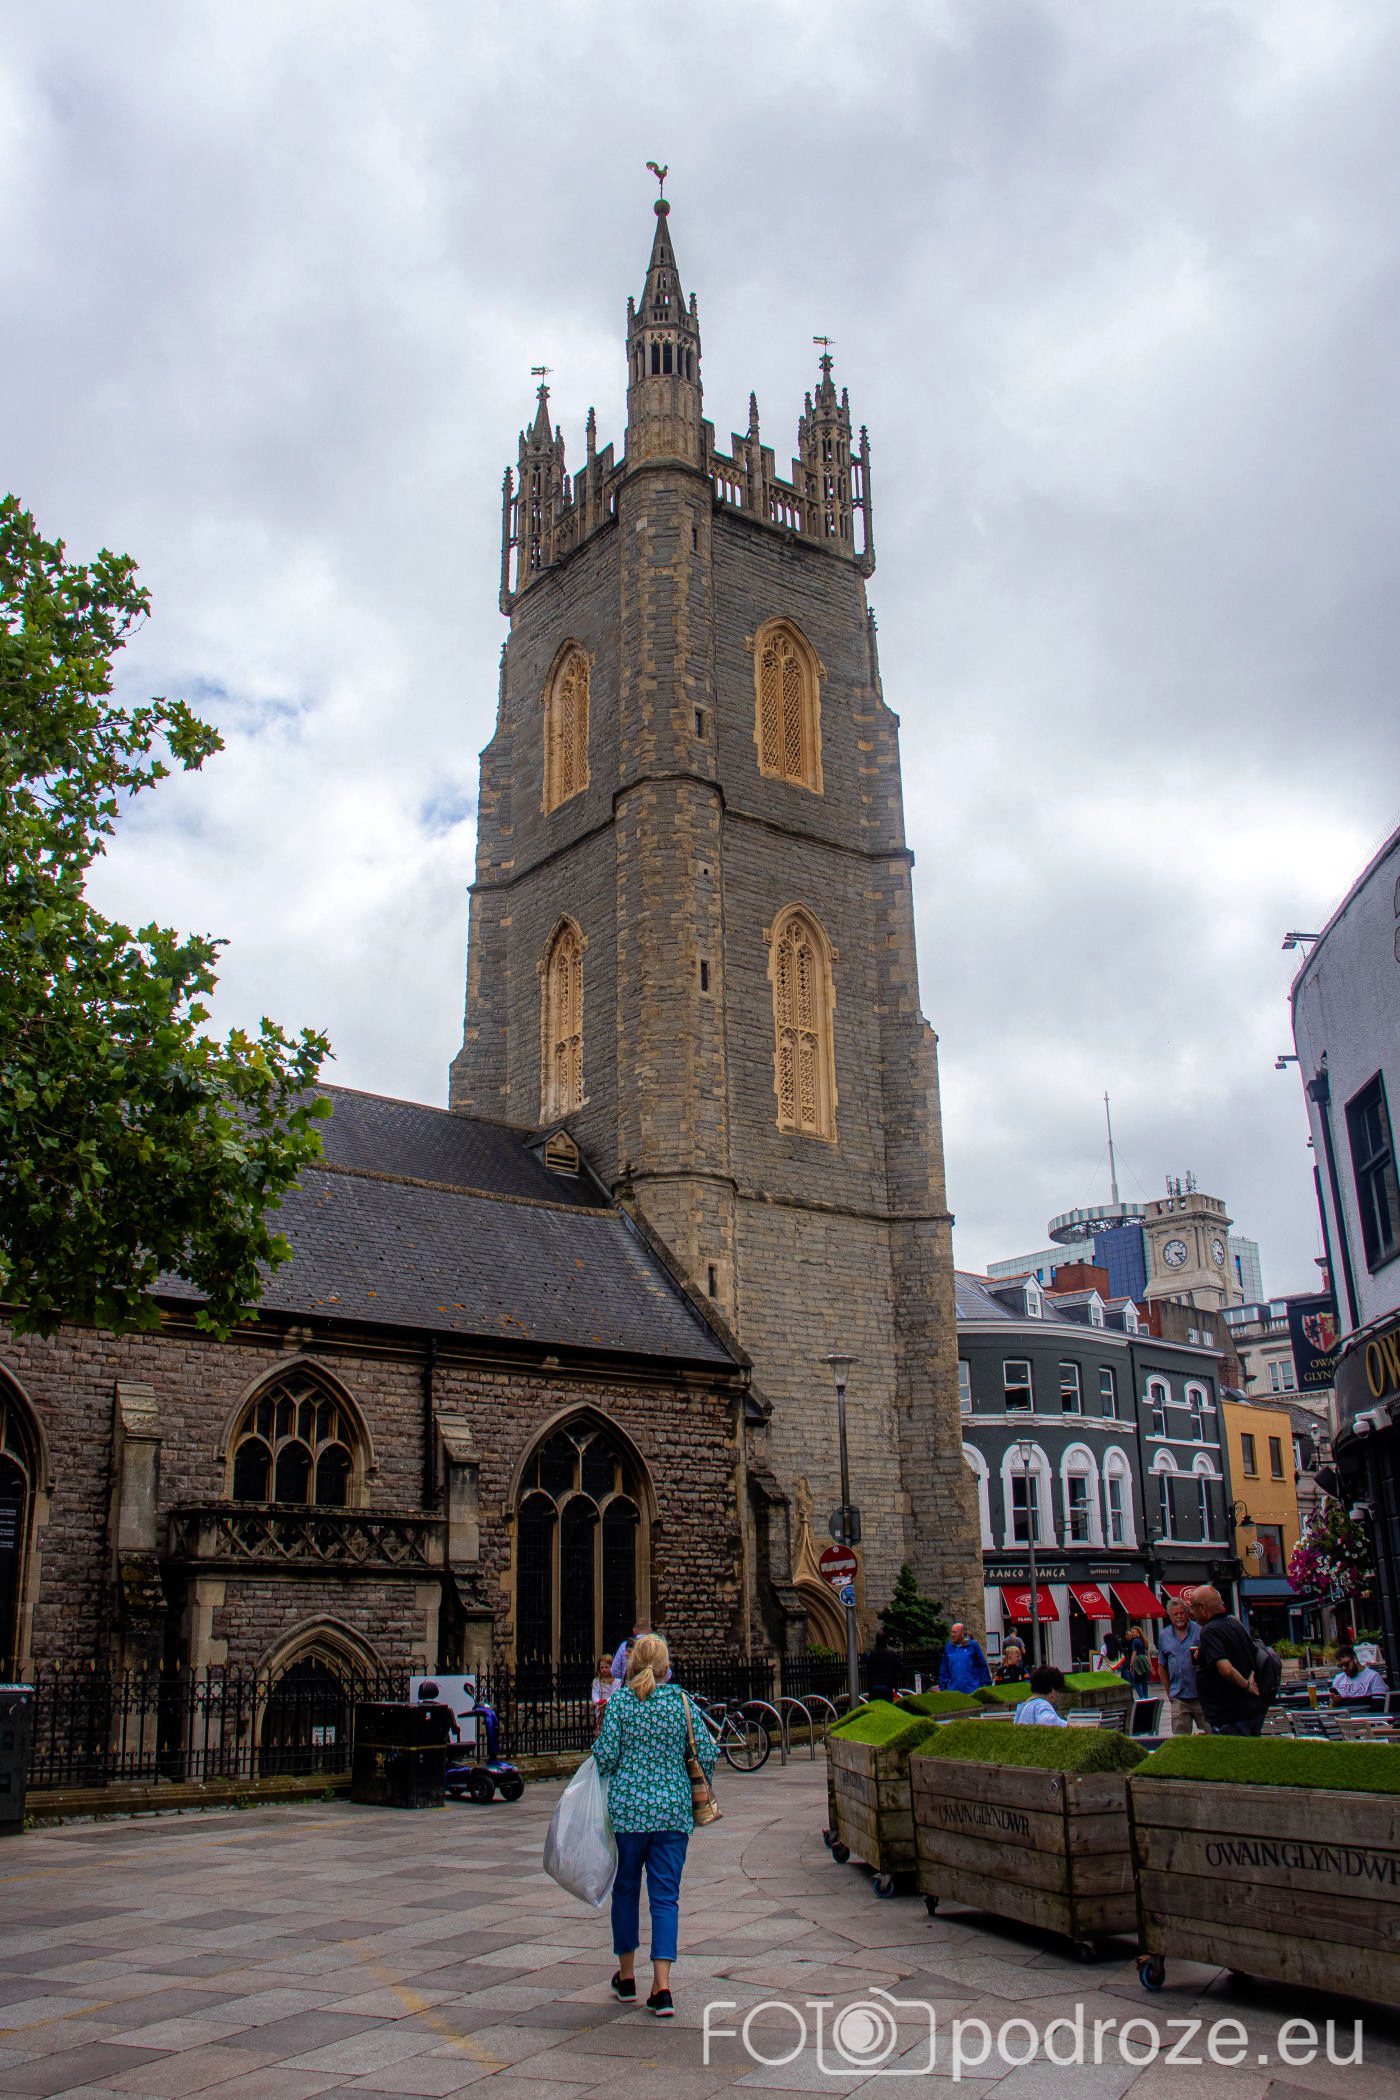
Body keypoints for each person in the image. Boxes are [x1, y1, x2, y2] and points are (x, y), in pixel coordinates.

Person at [591, 1633, 718, 2019]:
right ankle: (662, 1988)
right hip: (672, 1814)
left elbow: (604, 1757)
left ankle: (627, 1978)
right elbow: (708, 1753)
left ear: (630, 1664)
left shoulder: (620, 1703)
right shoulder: (682, 1703)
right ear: (666, 1667)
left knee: (625, 1892)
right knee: (665, 1898)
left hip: (628, 1813)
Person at [1188, 1586, 1265, 1736]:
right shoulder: (1235, 1624)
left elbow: (1226, 1669)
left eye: (1192, 1608)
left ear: (1202, 1607)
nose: (1191, 1613)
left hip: (1229, 1715)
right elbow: (1253, 1654)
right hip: (1250, 1711)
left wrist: (1247, 1685)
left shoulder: (1209, 1631)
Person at [1156, 1598, 1209, 1735]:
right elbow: (1162, 1666)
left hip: (1201, 1695)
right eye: (1175, 1614)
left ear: (1187, 1613)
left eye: (1182, 1613)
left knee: (1212, 1734)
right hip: (1178, 1696)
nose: (1179, 1617)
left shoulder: (1200, 1631)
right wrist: (1169, 1693)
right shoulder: (1164, 1636)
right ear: (1170, 1616)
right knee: (1181, 1739)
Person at [939, 1622, 992, 1693]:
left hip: (972, 1689)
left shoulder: (973, 1645)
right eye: (952, 1632)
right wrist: (943, 1687)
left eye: (955, 1632)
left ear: (962, 1633)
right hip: (954, 1690)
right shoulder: (949, 1647)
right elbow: (944, 1669)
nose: (952, 1635)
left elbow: (982, 1666)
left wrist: (986, 1685)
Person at [611, 1618, 652, 1686]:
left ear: (634, 1631)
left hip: (630, 1687)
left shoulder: (624, 1646)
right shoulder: (656, 1646)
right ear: (650, 1630)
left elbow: (614, 1671)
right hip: (651, 1687)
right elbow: (667, 1674)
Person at [865, 1630, 903, 1702]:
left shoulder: (870, 1655)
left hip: (873, 1687)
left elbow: (868, 1667)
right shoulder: (892, 1654)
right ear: (886, 1641)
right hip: (887, 1687)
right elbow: (899, 1667)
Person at [590, 1655, 617, 1734]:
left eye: (606, 1667)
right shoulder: (597, 1681)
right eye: (602, 1668)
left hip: (611, 1706)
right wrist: (598, 1703)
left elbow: (615, 1693)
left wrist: (607, 1701)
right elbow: (595, 1694)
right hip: (601, 1708)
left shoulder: (615, 1681)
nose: (604, 1669)